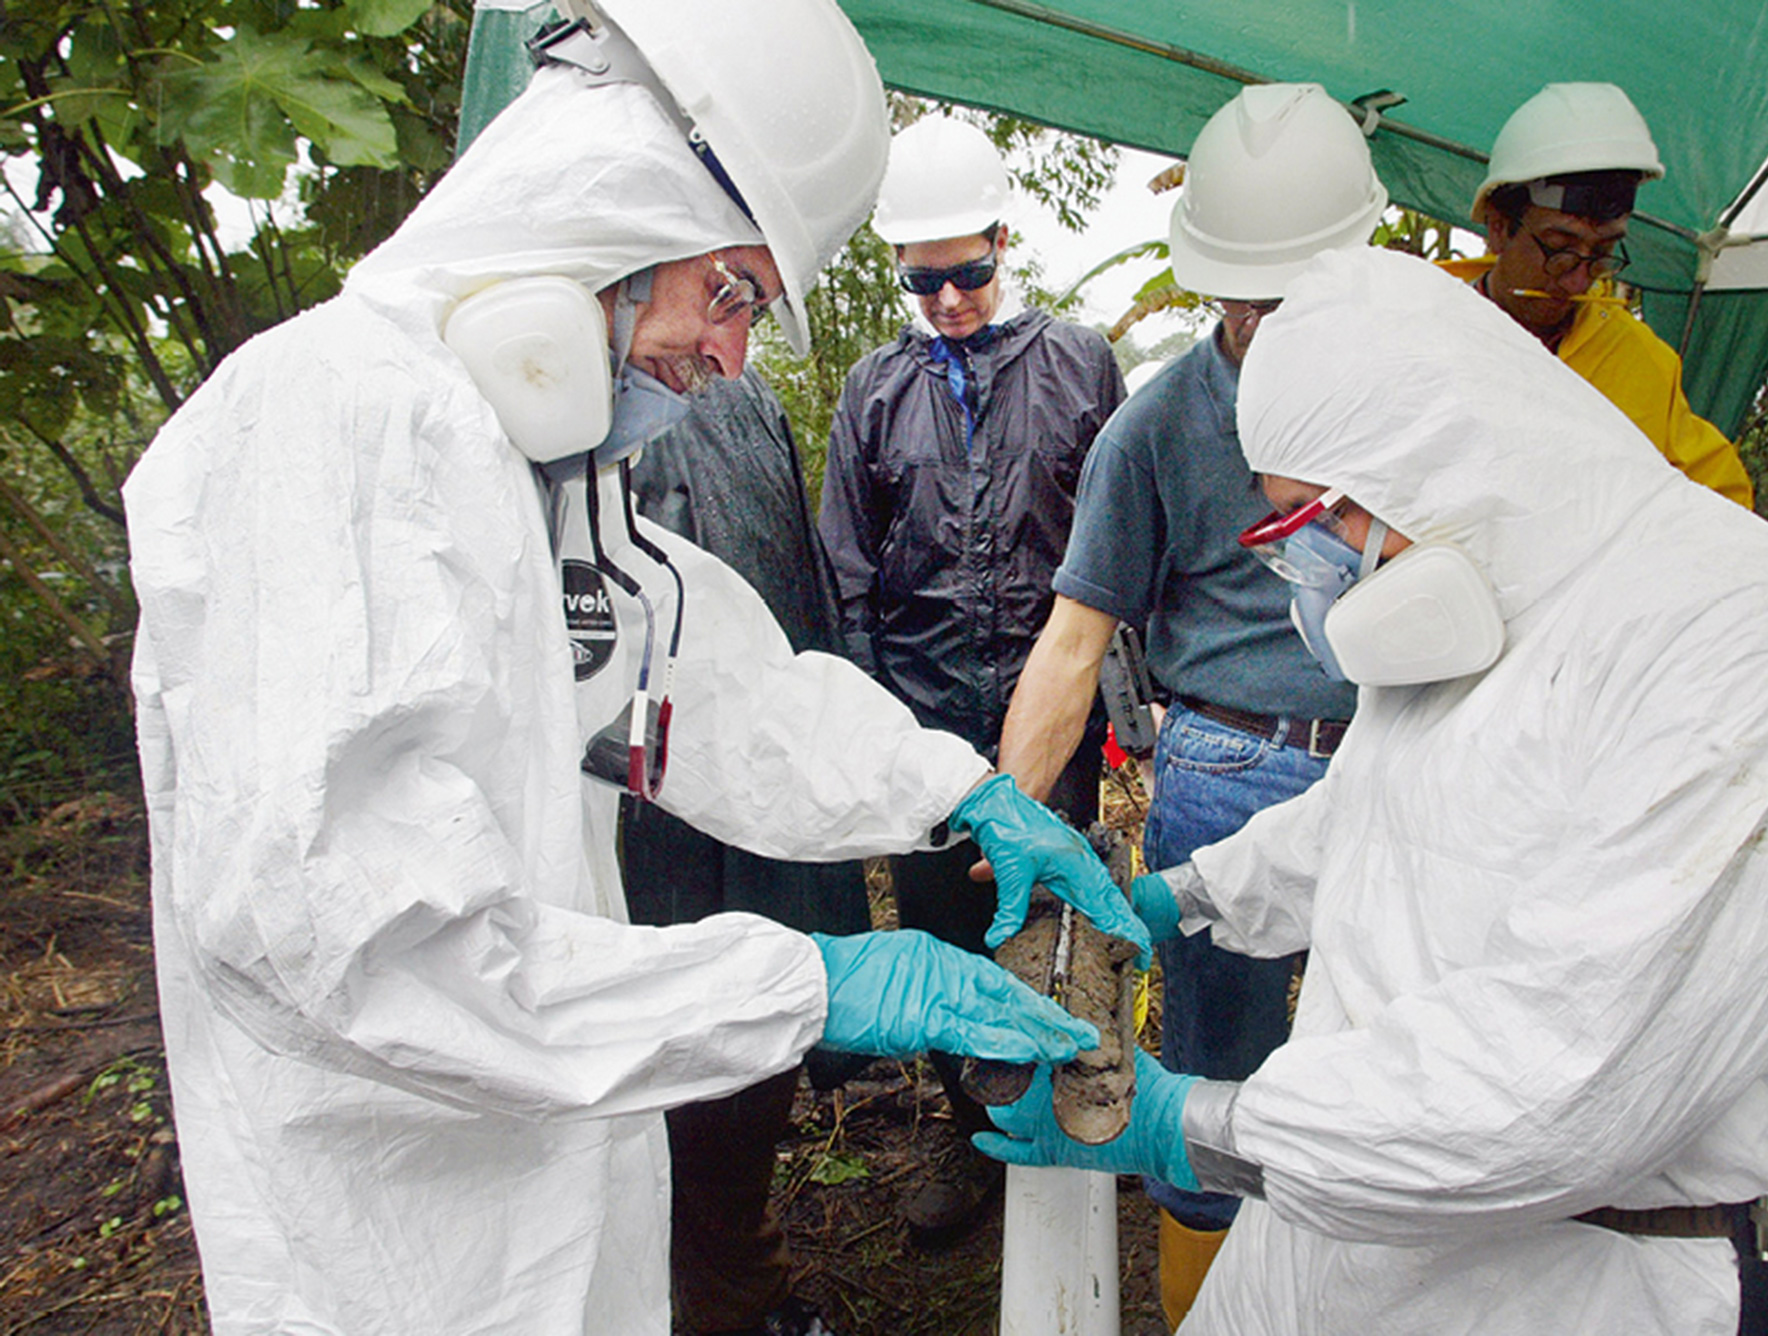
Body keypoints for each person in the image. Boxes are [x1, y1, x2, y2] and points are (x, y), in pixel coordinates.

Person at [121, 3, 1147, 1331]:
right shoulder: (323, 429)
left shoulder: (524, 472)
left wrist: (957, 794)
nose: (728, 358)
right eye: (730, 292)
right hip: (415, 1239)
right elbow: (362, 951)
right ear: (605, 210)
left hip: (559, 1165)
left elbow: (702, 690)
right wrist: (806, 983)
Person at [975, 245, 1768, 1335]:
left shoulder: (1751, 651)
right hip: (1343, 1226)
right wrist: (1173, 898)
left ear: (1427, 453)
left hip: (1576, 1278)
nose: (1315, 568)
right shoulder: (1482, 594)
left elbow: (1550, 1086)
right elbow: (1369, 823)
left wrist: (1184, 1123)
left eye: (1317, 522)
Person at [993, 83, 1384, 1325]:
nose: (1268, 325)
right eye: (1246, 300)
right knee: (1220, 1081)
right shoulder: (1155, 428)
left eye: (1297, 299)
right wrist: (1013, 820)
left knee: (1390, 1064)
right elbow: (1072, 643)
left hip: (1396, 749)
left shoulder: (1408, 394)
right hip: (1229, 759)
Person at [818, 113, 1128, 1236]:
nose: (948, 299)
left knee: (1057, 911)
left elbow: (1117, 545)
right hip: (924, 721)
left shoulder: (1078, 362)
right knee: (947, 930)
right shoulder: (871, 392)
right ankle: (969, 1132)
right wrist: (869, 734)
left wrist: (1122, 702)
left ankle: (1081, 1102)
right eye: (923, 280)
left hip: (1050, 708)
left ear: (1004, 242)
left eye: (970, 272)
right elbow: (845, 573)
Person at [615, 369, 870, 1336]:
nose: (724, 339)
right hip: (646, 822)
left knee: (757, 1051)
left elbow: (801, 586)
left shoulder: (743, 397)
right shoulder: (558, 412)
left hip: (767, 794)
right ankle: (713, 1297)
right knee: (672, 1065)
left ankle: (739, 1279)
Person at [1439, 82, 1755, 507]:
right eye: (1559, 248)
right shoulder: (1421, 320)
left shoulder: (1642, 364)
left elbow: (1726, 504)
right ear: (1498, 226)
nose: (1577, 281)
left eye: (1602, 253)